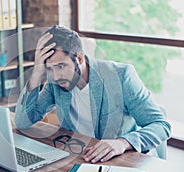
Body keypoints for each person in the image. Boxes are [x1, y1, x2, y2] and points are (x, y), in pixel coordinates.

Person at [15, 25, 171, 163]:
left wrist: (122, 142)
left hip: (119, 161)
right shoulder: (55, 81)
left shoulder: (121, 76)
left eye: (61, 66)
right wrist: (36, 72)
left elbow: (161, 126)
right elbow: (23, 122)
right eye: (49, 68)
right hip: (77, 156)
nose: (55, 76)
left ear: (80, 58)